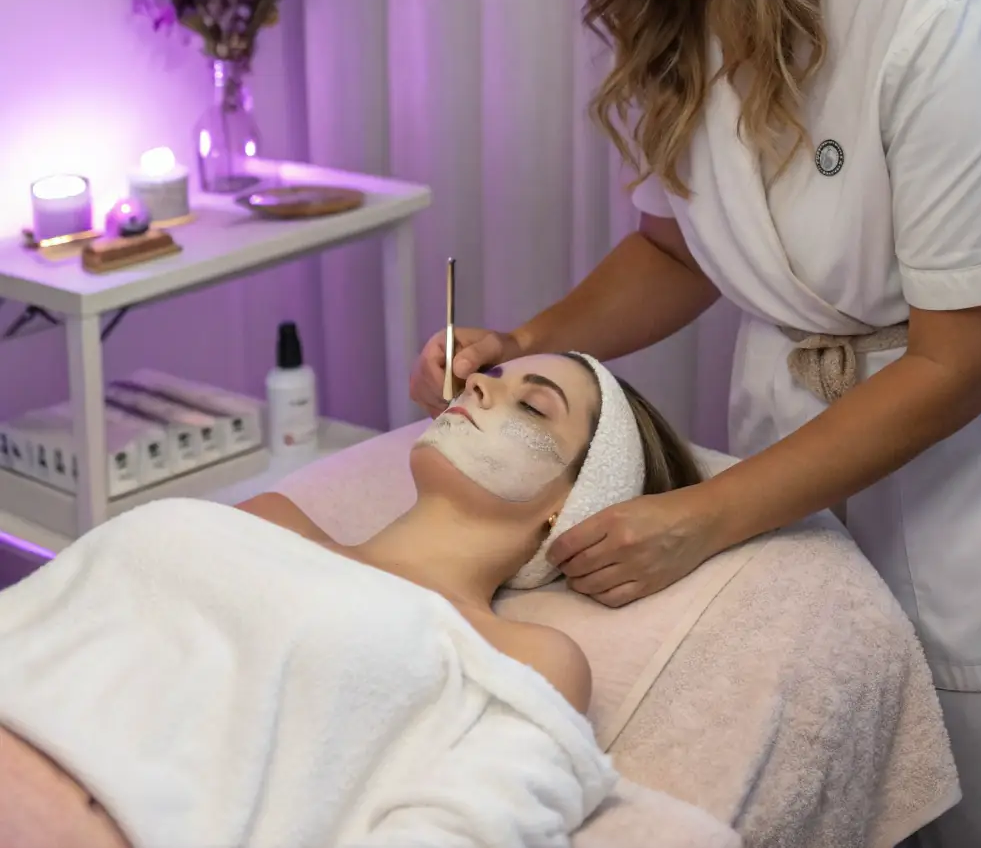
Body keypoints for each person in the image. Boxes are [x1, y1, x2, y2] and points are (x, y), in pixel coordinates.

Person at [410, 0, 981, 847]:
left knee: (974, 796)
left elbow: (965, 359)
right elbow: (677, 249)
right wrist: (526, 344)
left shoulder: (932, 4)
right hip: (787, 443)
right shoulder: (672, 7)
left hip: (959, 482)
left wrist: (709, 516)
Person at [0, 352, 700, 848]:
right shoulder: (272, 515)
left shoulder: (517, 652)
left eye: (532, 402)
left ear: (571, 507)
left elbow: (482, 819)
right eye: (489, 376)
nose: (480, 389)